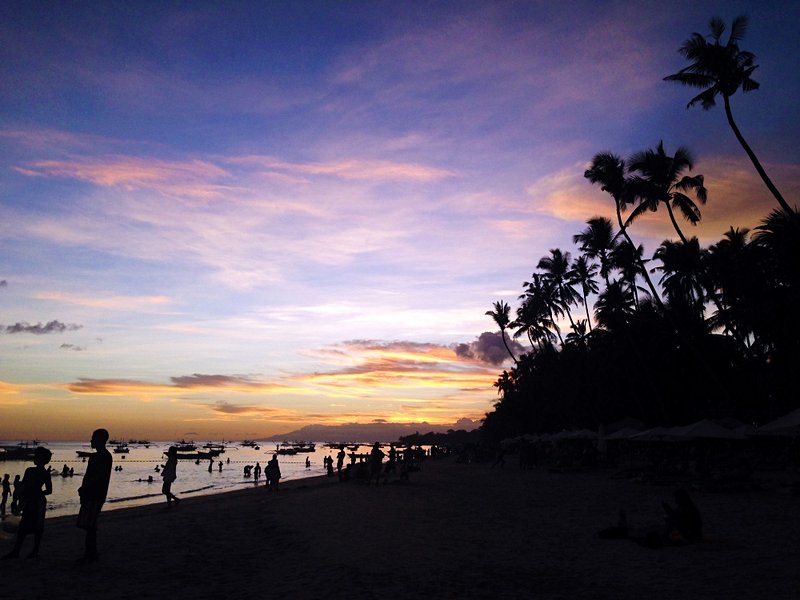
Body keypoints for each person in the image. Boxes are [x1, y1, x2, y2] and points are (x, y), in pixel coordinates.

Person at [2, 446, 53, 559]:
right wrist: (17, 499)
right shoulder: (30, 471)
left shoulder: (42, 473)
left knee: (37, 527)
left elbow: (49, 490)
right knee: (24, 526)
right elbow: (23, 487)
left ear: (42, 459)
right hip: (30, 500)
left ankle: (33, 551)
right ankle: (17, 551)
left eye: (37, 456)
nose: (34, 457)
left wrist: (35, 494)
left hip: (37, 502)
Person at [77, 428, 112, 562]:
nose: (91, 440)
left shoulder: (103, 456)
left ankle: (91, 554)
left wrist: (85, 487)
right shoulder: (99, 456)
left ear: (100, 440)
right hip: (92, 493)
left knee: (90, 525)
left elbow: (98, 476)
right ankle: (91, 553)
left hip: (95, 494)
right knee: (89, 524)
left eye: (93, 438)